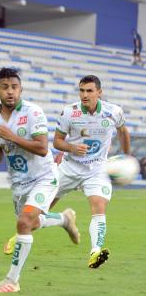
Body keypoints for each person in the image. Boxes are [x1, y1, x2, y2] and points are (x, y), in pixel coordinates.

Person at [0, 68, 79, 293]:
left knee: (23, 223)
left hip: (44, 178)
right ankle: (64, 219)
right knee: (30, 224)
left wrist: (13, 137)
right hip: (18, 183)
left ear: (21, 89)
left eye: (14, 87)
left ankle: (11, 281)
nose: (10, 92)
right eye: (5, 87)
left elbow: (43, 148)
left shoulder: (33, 112)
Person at [53, 75, 131, 268]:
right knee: (39, 208)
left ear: (99, 92)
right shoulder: (69, 112)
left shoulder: (113, 112)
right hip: (70, 167)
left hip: (97, 169)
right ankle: (62, 220)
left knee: (98, 205)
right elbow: (57, 141)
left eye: (89, 91)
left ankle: (95, 251)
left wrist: (126, 156)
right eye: (81, 90)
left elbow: (123, 132)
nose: (84, 95)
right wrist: (72, 148)